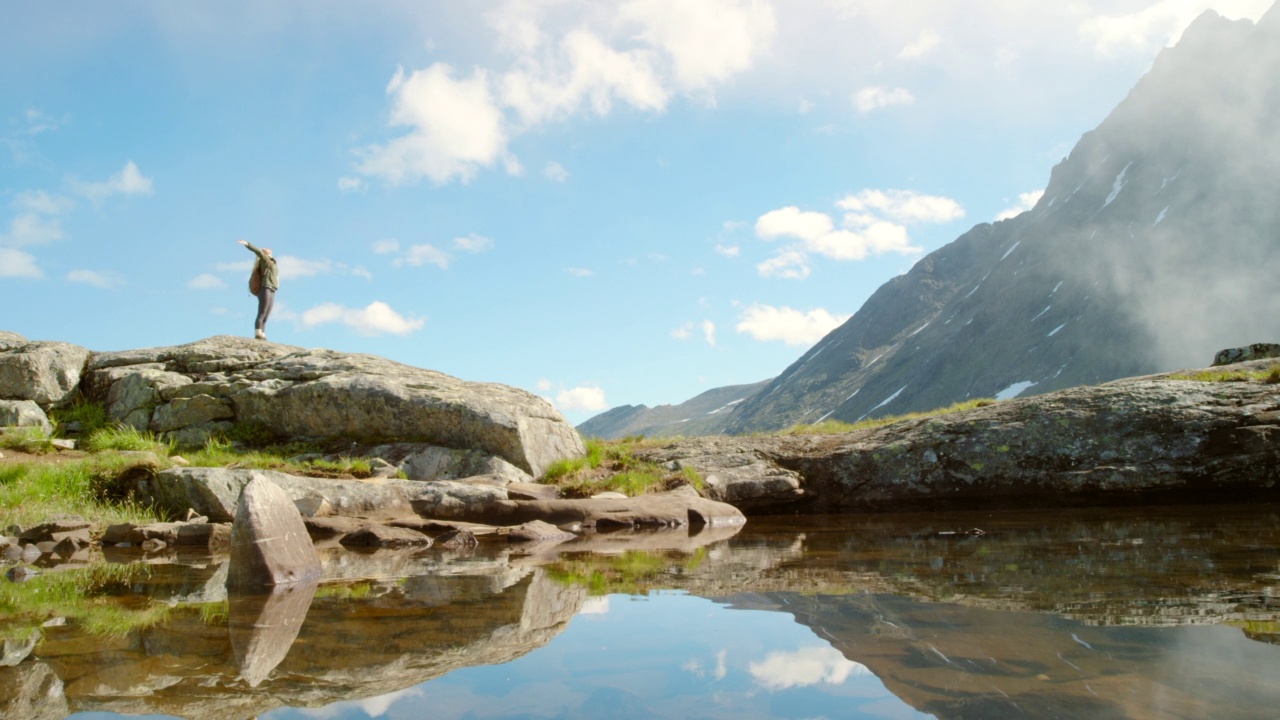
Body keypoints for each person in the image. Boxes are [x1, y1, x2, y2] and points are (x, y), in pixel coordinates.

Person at [239, 239, 278, 340]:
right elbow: (258, 251)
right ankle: (257, 333)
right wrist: (247, 244)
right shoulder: (264, 259)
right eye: (266, 248)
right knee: (262, 312)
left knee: (266, 314)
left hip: (273, 289)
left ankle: (263, 334)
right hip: (265, 287)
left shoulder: (273, 262)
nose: (268, 248)